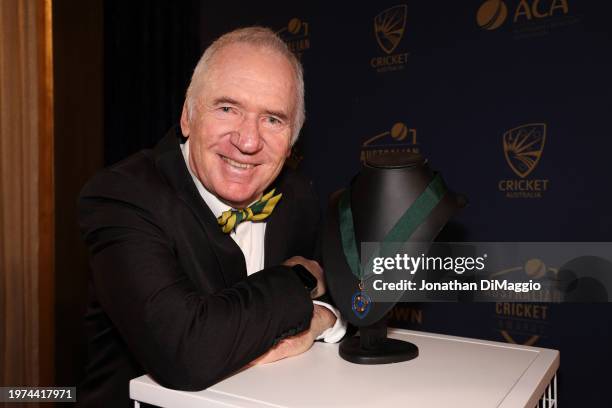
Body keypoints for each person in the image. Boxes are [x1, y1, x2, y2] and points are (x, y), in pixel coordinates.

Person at [77, 27, 346, 407]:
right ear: (188, 117)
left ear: (293, 138)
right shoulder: (124, 196)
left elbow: (344, 301)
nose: (248, 141)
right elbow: (187, 352)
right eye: (227, 108)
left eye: (272, 119)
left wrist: (323, 320)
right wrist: (298, 280)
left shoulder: (296, 194)